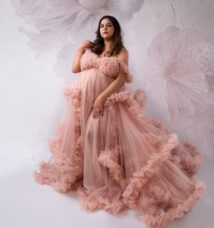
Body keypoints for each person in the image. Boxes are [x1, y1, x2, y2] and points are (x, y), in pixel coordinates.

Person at [33, 15, 206, 228]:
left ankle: (102, 182)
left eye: (109, 25)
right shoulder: (93, 50)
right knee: (87, 135)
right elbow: (76, 69)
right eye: (102, 25)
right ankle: (90, 175)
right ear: (99, 30)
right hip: (85, 98)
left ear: (115, 30)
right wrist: (79, 48)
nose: (105, 28)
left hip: (107, 101)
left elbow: (121, 79)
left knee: (95, 135)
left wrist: (101, 98)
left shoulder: (121, 52)